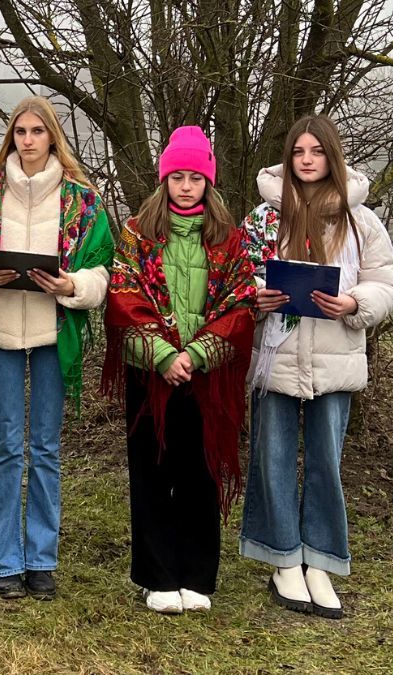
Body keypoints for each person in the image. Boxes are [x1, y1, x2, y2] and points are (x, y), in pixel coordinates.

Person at [239, 115, 393, 620]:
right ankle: (283, 559)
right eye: (298, 152)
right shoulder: (264, 218)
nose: (307, 160)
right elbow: (237, 277)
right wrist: (256, 297)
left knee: (326, 462)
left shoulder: (361, 221)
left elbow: (386, 283)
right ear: (288, 158)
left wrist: (354, 303)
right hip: (275, 360)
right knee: (272, 457)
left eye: (316, 151)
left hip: (335, 361)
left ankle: (322, 561)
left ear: (332, 157)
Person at [0, 96, 113, 601]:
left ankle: (41, 560)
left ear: (52, 137)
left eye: (37, 131)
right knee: (6, 445)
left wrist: (73, 285)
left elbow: (103, 267)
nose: (27, 140)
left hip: (52, 331)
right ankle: (5, 559)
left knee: (45, 447)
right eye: (20, 131)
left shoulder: (80, 200)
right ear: (11, 137)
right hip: (1, 329)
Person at [101, 126, 257, 614]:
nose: (186, 186)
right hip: (152, 374)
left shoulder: (229, 240)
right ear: (164, 179)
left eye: (195, 178)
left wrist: (199, 354)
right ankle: (157, 577)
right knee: (151, 471)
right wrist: (165, 356)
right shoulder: (138, 234)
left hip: (206, 375)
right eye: (177, 177)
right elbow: (123, 296)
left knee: (200, 472)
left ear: (208, 182)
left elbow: (241, 303)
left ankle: (197, 575)